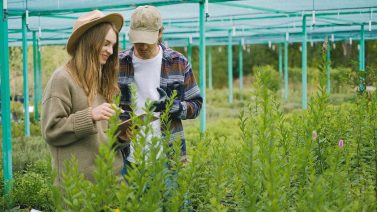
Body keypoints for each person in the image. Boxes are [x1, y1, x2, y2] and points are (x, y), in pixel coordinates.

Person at [41, 10, 125, 184]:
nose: (110, 51)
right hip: (78, 188)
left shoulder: (103, 81)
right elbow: (51, 130)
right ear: (90, 40)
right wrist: (90, 115)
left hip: (111, 181)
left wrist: (122, 137)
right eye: (106, 43)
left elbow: (102, 137)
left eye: (113, 46)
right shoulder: (62, 79)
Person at [118, 5, 202, 168]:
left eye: (147, 41)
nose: (142, 46)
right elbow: (105, 103)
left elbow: (196, 105)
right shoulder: (118, 63)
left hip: (168, 157)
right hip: (127, 156)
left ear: (160, 33)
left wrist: (173, 106)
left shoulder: (178, 62)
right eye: (138, 40)